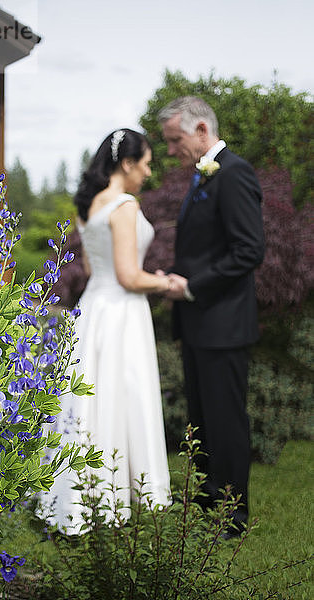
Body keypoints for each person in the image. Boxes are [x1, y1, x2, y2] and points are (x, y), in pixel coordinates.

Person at [44, 128, 171, 534]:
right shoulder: (125, 205)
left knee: (90, 400)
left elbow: (89, 265)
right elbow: (130, 277)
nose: (149, 172)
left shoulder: (89, 206)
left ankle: (79, 495)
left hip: (93, 308)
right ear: (128, 163)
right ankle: (122, 494)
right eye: (147, 163)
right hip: (122, 311)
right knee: (121, 394)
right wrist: (166, 282)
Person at [158, 96, 265, 538]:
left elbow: (249, 251)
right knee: (202, 420)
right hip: (200, 323)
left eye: (174, 140)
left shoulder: (234, 173)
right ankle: (207, 505)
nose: (169, 151)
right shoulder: (202, 178)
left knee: (225, 420)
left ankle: (232, 518)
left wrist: (193, 286)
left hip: (223, 323)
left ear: (201, 130)